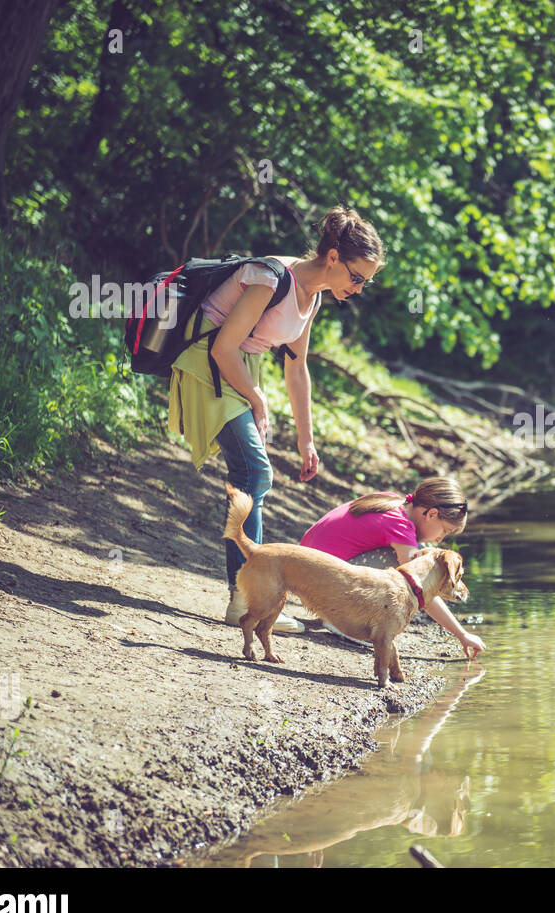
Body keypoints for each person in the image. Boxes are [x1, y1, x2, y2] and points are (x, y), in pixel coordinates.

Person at [166, 205, 385, 633]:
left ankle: (247, 595)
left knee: (252, 477)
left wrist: (307, 440)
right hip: (209, 368)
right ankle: (246, 599)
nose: (359, 288)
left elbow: (296, 367)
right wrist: (257, 399)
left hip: (240, 373)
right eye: (357, 276)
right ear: (334, 257)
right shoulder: (271, 279)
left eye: (367, 282)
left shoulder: (314, 297)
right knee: (253, 471)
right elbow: (222, 348)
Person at [300, 477, 486, 658]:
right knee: (410, 567)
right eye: (445, 530)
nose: (440, 539)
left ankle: (340, 616)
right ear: (432, 514)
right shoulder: (400, 527)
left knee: (416, 556)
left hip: (306, 572)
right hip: (319, 585)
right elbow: (420, 586)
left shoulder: (393, 501)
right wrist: (462, 634)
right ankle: (341, 622)